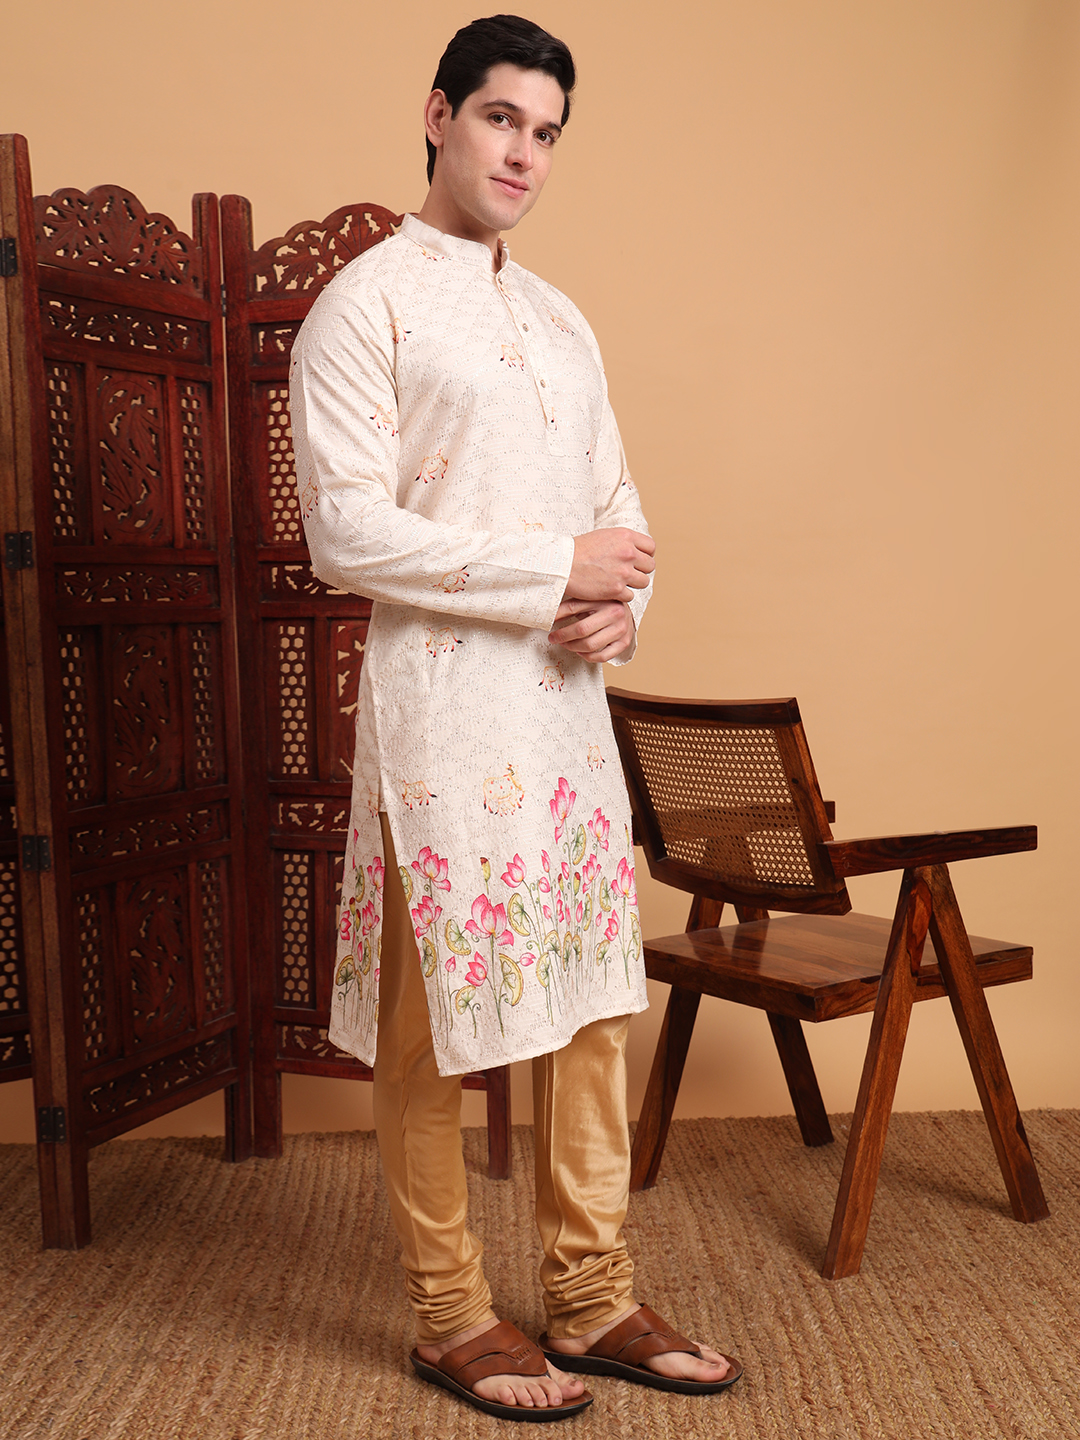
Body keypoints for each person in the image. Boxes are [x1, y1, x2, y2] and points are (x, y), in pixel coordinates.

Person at [290, 14, 742, 1422]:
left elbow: (622, 513)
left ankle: (592, 1293)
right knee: (435, 1019)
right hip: (440, 717)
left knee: (593, 1006)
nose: (524, 154)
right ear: (438, 115)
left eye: (546, 133)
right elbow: (345, 532)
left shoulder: (560, 318)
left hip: (562, 721)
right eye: (500, 119)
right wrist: (558, 573)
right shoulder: (365, 304)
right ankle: (451, 1314)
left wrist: (622, 612)